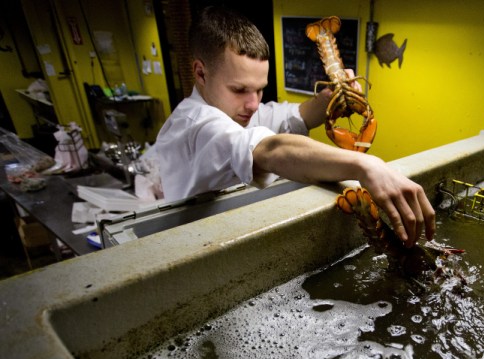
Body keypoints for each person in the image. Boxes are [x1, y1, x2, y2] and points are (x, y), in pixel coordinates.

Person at [150, 6, 434, 247]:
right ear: (200, 72)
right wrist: (367, 165)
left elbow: (292, 117)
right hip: (187, 249)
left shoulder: (237, 111)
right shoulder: (196, 125)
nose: (253, 104)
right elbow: (270, 149)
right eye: (240, 89)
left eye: (260, 90)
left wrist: (334, 97)